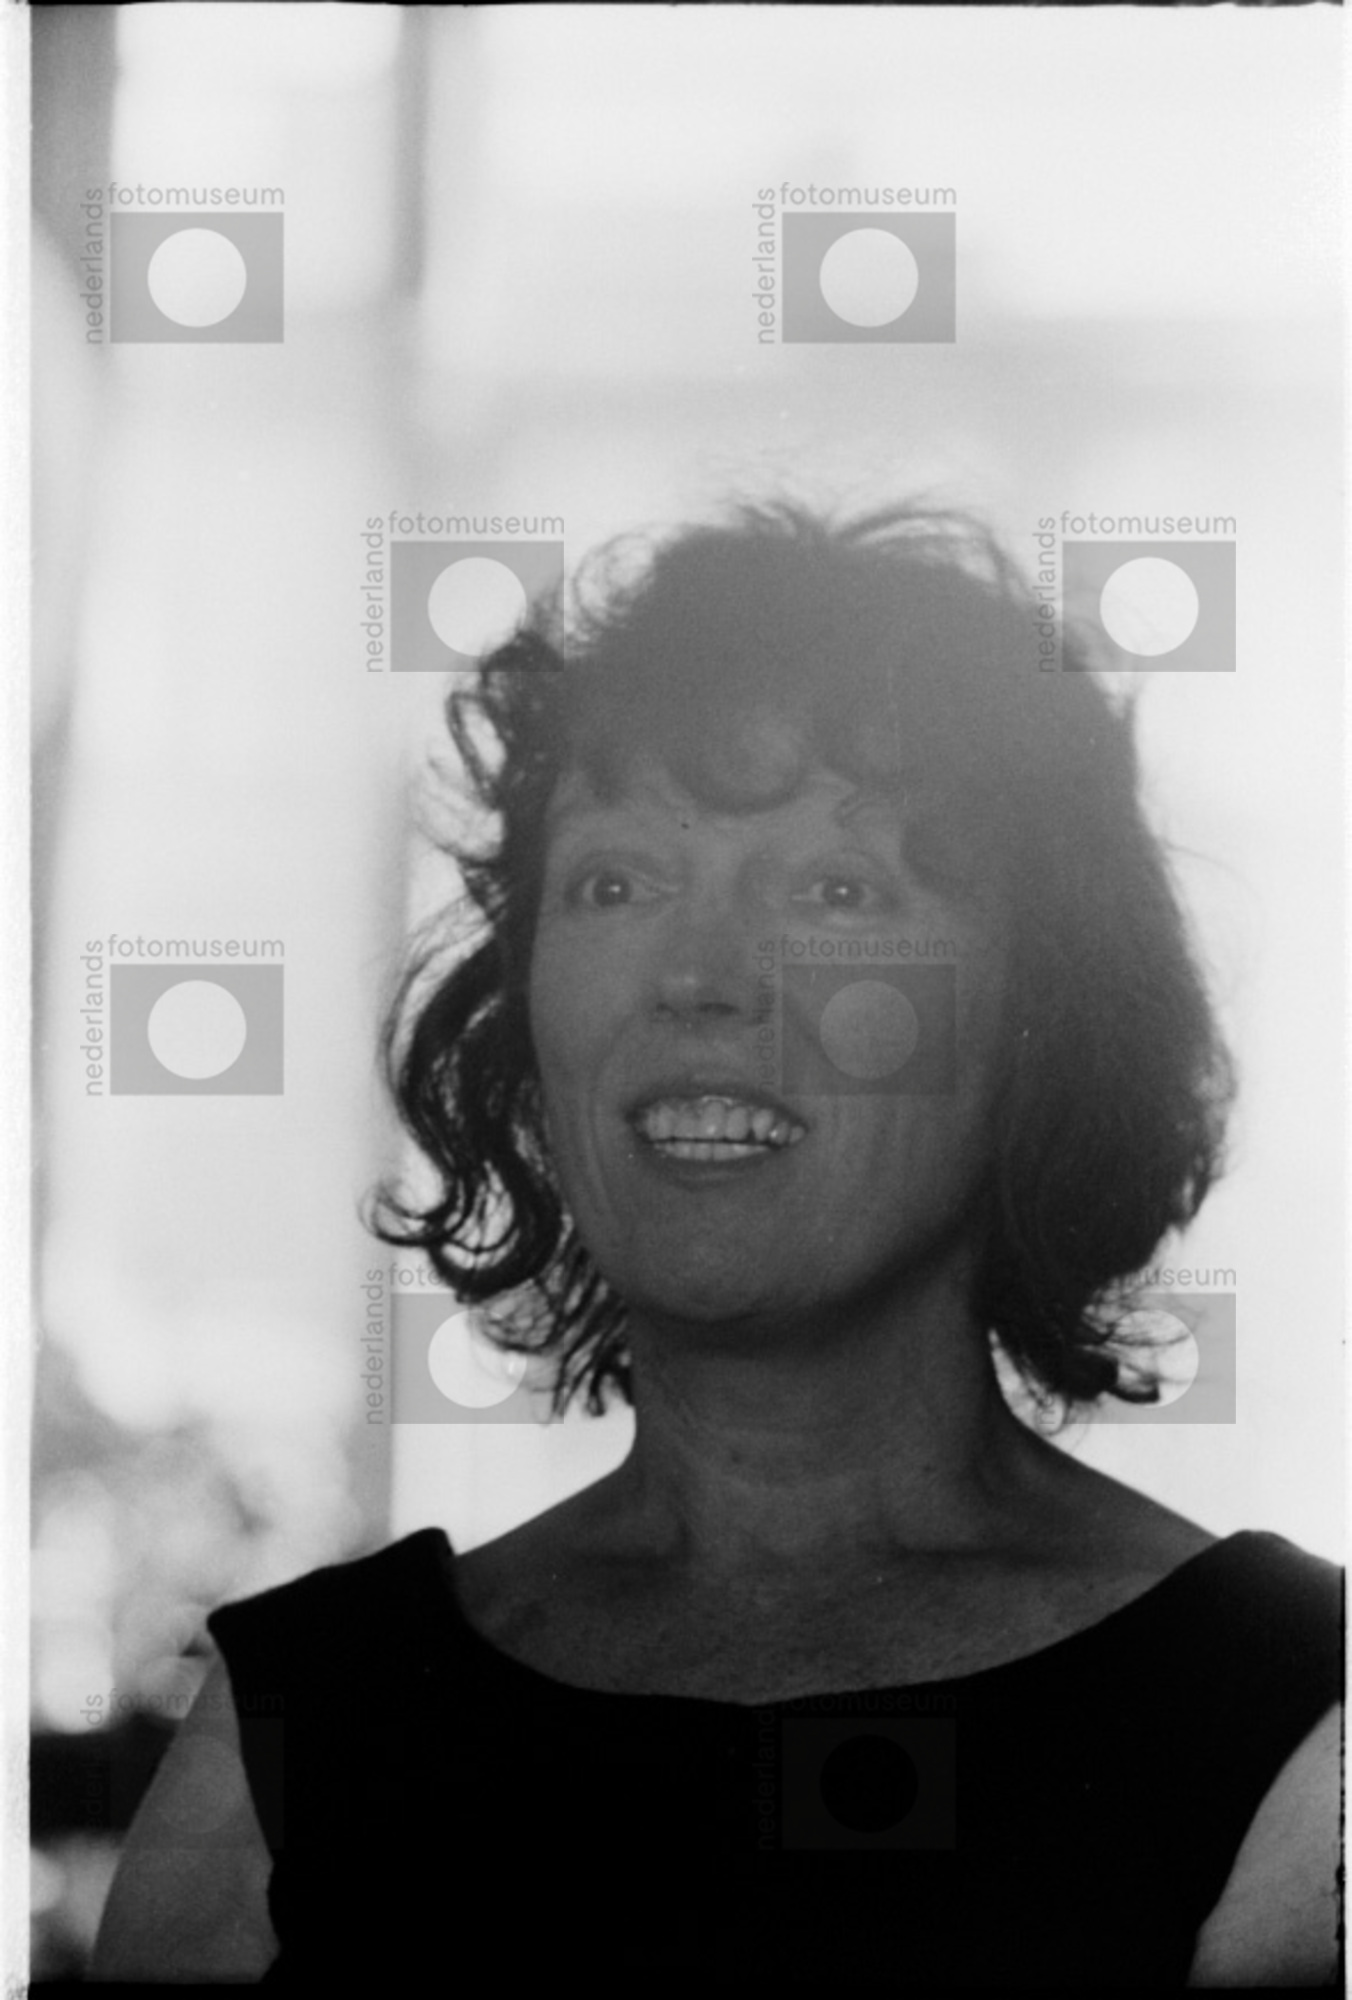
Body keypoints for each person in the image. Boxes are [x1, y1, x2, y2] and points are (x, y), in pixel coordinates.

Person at [92, 502, 1341, 1987]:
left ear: (1043, 1016)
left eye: (838, 890)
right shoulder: (289, 1724)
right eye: (615, 883)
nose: (696, 979)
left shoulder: (1297, 1713)